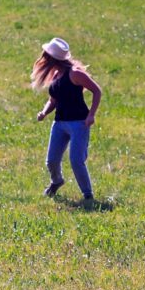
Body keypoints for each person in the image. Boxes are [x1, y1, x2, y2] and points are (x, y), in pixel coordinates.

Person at [33, 37, 102, 201]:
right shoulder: (57, 75)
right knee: (51, 161)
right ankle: (56, 181)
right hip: (59, 124)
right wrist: (44, 113)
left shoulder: (75, 74)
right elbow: (53, 100)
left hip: (79, 123)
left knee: (76, 160)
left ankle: (88, 195)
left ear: (53, 58)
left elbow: (97, 91)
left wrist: (91, 115)